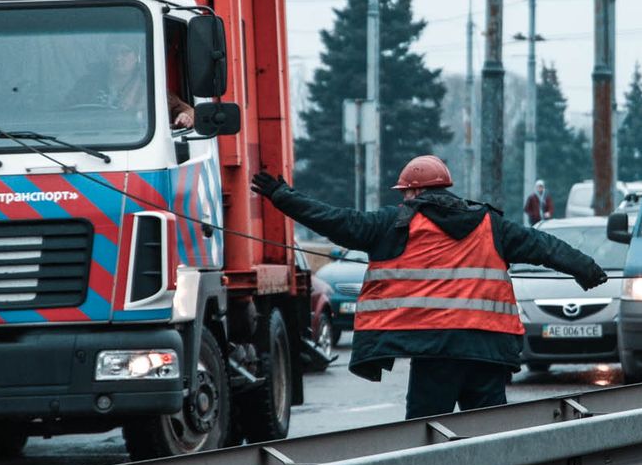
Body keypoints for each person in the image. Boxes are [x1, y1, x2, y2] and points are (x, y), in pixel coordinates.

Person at [251, 155, 608, 419]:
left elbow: (334, 220)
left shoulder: (393, 224)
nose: (404, 198)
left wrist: (281, 195)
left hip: (434, 350)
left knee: (427, 435)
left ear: (416, 190)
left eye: (406, 192)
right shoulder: (490, 223)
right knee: (491, 438)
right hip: (489, 349)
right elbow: (545, 247)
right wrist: (587, 270)